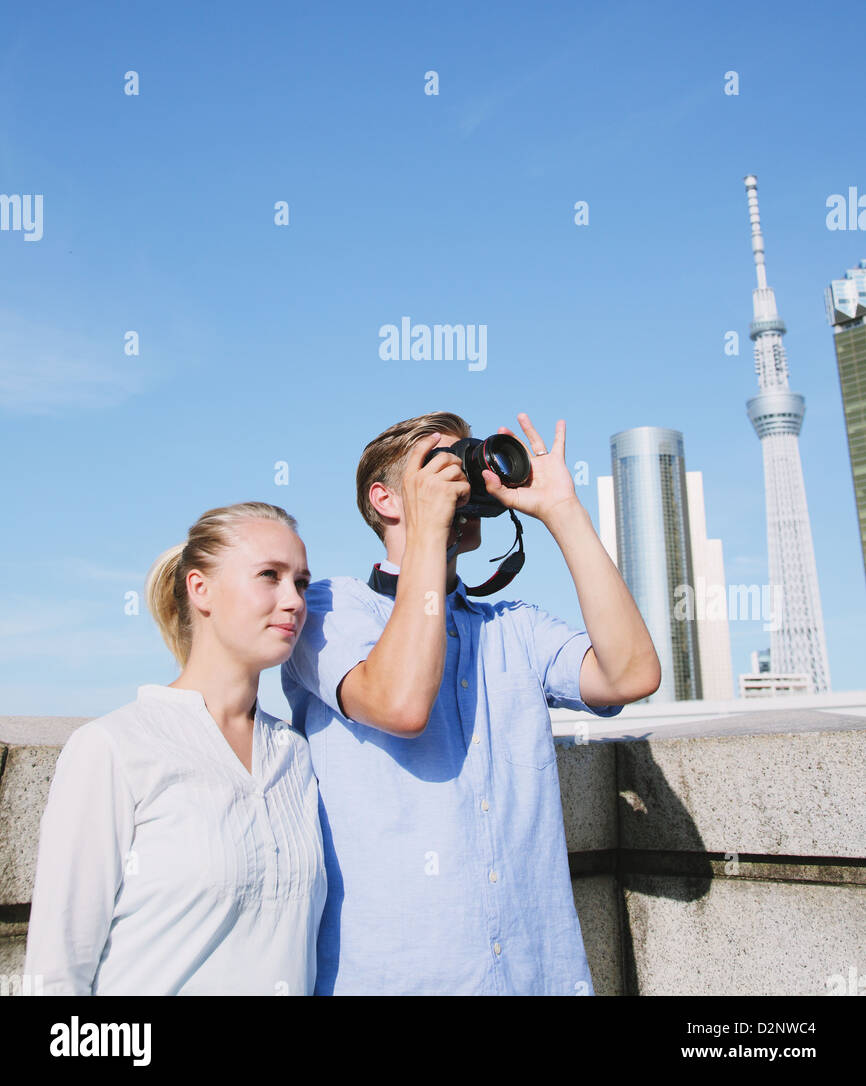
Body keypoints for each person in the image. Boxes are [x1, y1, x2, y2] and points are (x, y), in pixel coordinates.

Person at [282, 411, 661, 996]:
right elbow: (400, 703)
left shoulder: (515, 626)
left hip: (539, 977)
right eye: (439, 463)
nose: (462, 480)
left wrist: (563, 511)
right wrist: (430, 535)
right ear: (384, 499)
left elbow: (632, 674)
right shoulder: (326, 611)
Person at [24, 502, 326, 996]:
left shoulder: (297, 754)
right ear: (200, 589)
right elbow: (54, 975)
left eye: (301, 582)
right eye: (269, 576)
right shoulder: (114, 748)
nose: (293, 600)